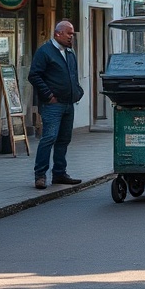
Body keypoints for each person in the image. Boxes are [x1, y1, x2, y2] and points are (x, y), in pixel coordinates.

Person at [28, 20, 84, 190]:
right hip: (53, 104)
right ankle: (40, 175)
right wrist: (48, 95)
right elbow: (34, 75)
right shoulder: (45, 52)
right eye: (69, 34)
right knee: (49, 138)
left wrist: (77, 91)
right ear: (57, 34)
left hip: (68, 103)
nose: (71, 37)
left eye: (72, 34)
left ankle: (59, 173)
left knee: (64, 139)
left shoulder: (70, 53)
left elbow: (72, 75)